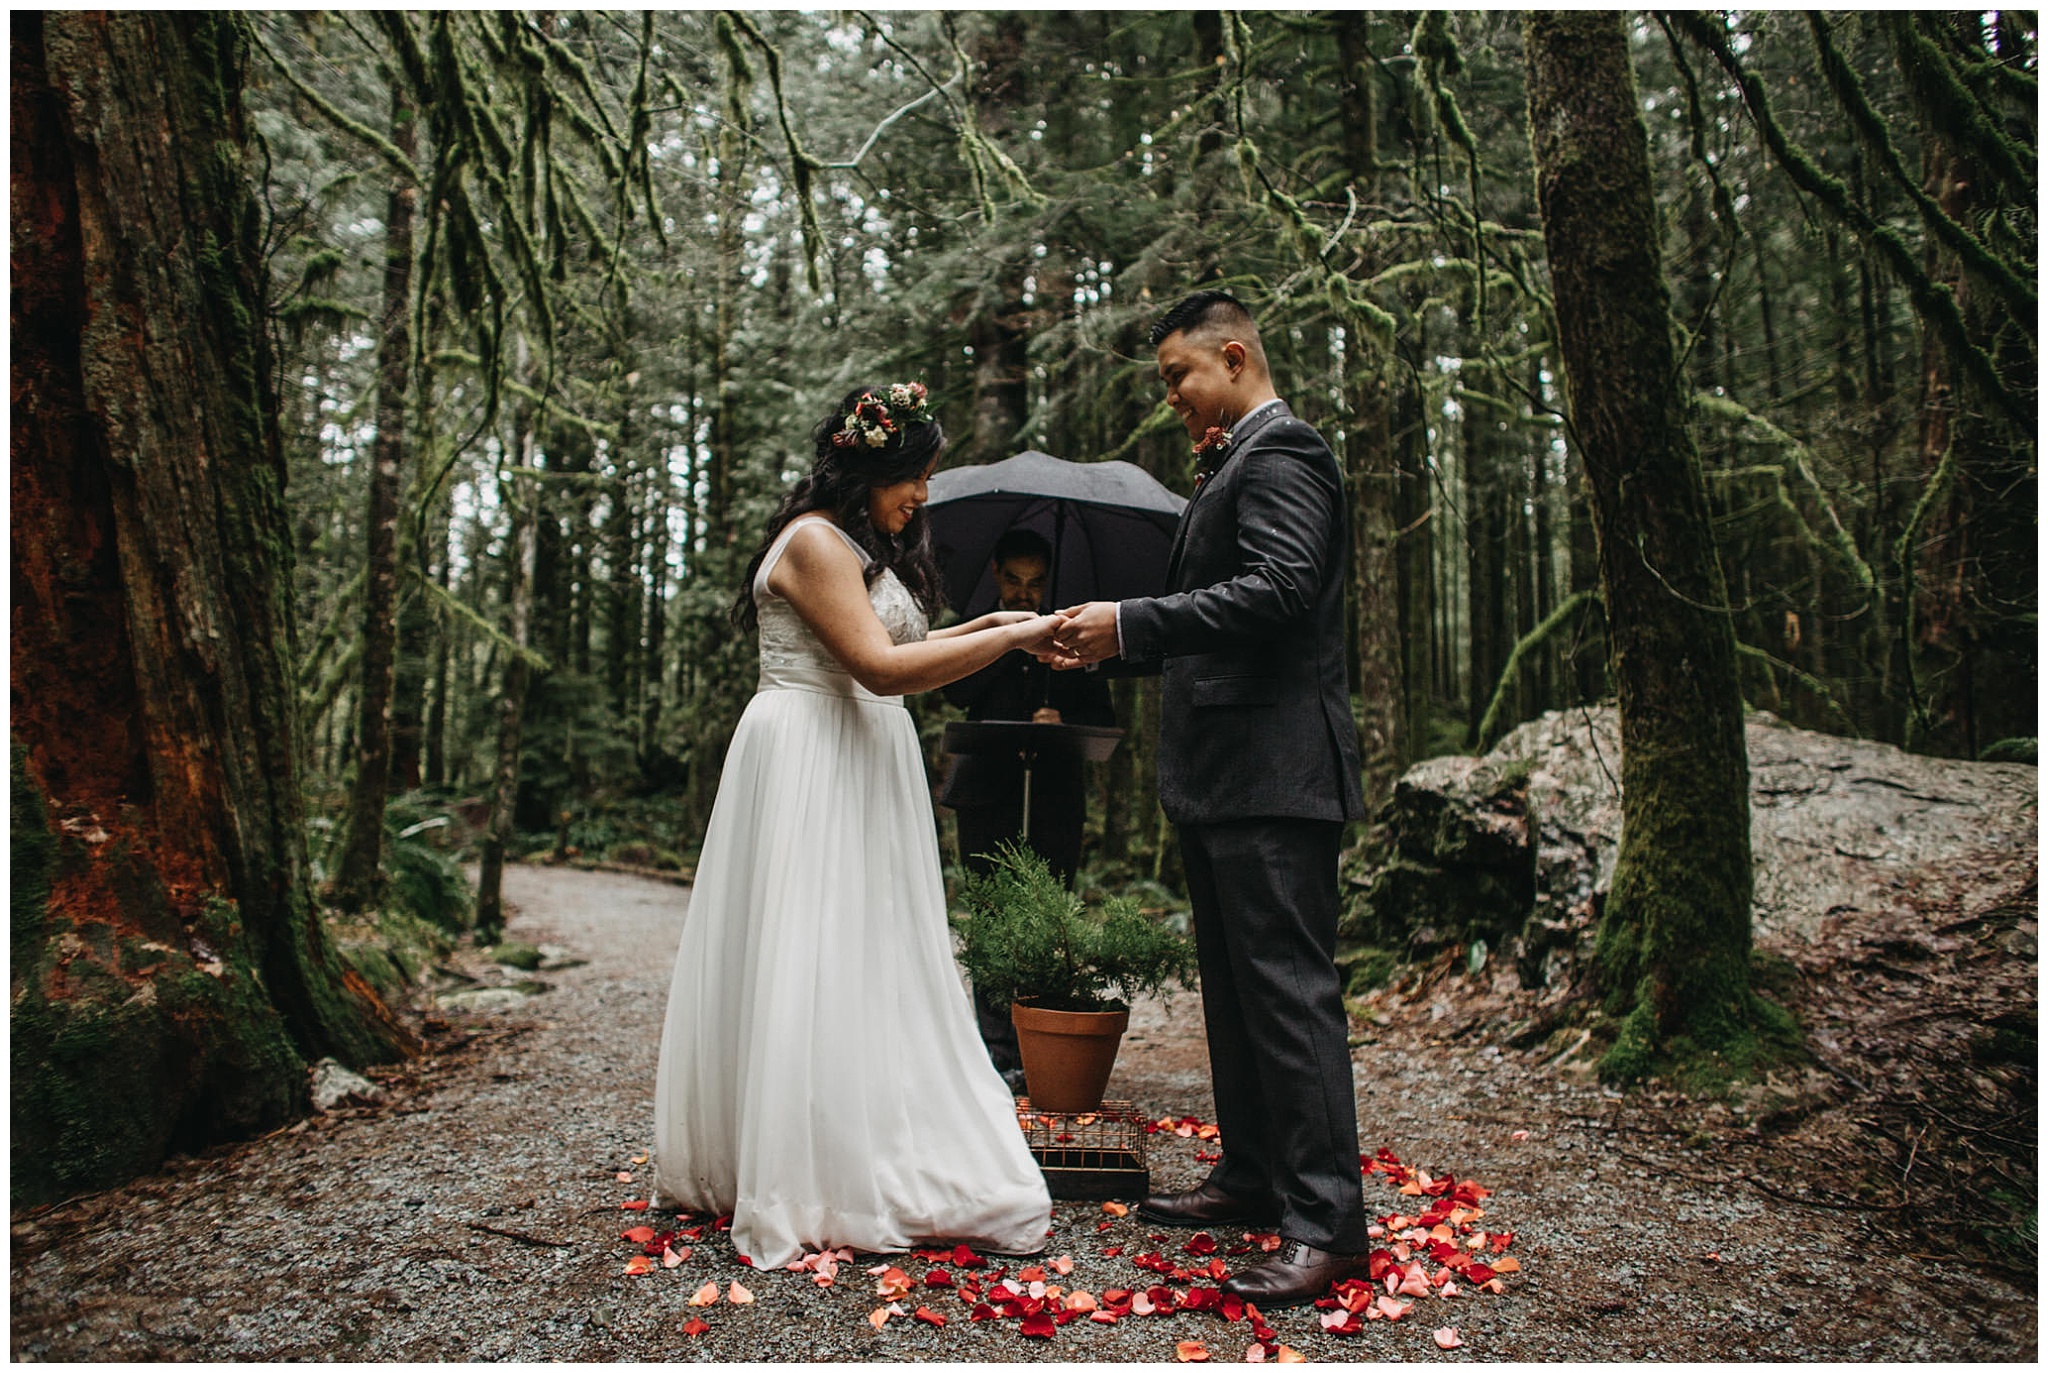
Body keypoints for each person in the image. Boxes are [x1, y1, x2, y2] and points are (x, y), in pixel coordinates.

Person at [652, 383, 1057, 1269]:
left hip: (864, 760)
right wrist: (1008, 641)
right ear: (865, 467)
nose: (923, 495)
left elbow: (908, 649)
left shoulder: (865, 549)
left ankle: (858, 1131)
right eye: (913, 475)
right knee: (813, 950)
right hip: (810, 757)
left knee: (870, 957)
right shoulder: (812, 543)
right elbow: (879, 667)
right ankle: (806, 1167)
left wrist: (1005, 623)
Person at [1044, 291, 1371, 1308]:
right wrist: (1099, 642)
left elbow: (1278, 591)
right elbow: (1220, 622)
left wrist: (1131, 621)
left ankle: (1325, 1223)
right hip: (1225, 778)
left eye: (1178, 377)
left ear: (1232, 357)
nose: (1172, 400)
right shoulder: (1233, 462)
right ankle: (1250, 1175)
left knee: (1287, 994)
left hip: (1275, 774)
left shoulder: (1283, 456)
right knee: (1235, 993)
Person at [938, 527, 1116, 1088]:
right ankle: (995, 1054)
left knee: (1048, 911)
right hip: (986, 790)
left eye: (1035, 583)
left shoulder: (1070, 636)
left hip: (1054, 794)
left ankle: (1039, 1046)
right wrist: (1009, 639)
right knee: (990, 917)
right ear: (996, 575)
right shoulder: (976, 631)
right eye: (1014, 581)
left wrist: (1061, 719)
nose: (1023, 593)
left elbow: (1103, 719)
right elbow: (955, 693)